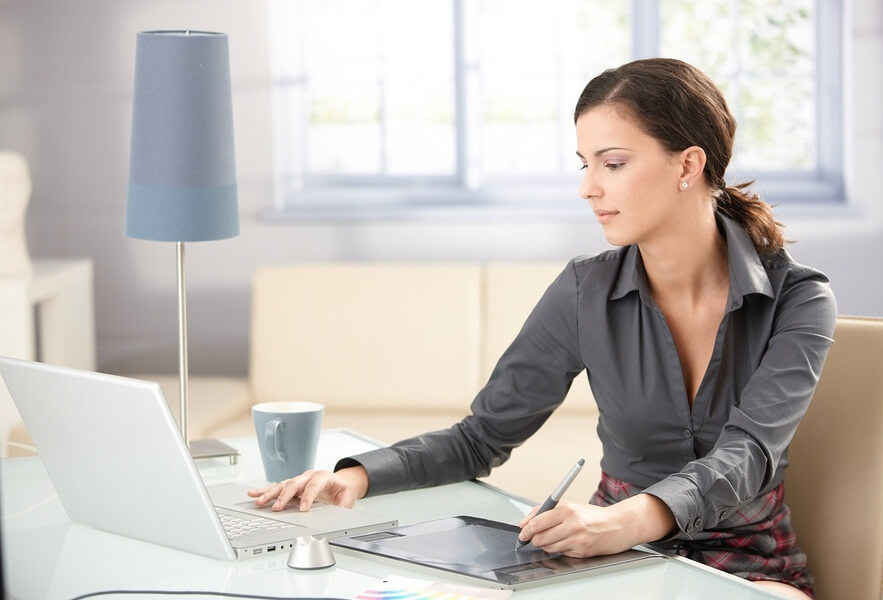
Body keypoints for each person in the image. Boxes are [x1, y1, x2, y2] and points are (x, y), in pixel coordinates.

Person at [249, 58, 835, 599]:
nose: (588, 188)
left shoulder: (799, 298)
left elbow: (749, 454)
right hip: (612, 555)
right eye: (585, 166)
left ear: (688, 163)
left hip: (746, 560)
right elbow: (482, 437)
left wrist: (618, 522)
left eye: (613, 163)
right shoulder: (586, 289)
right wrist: (356, 476)